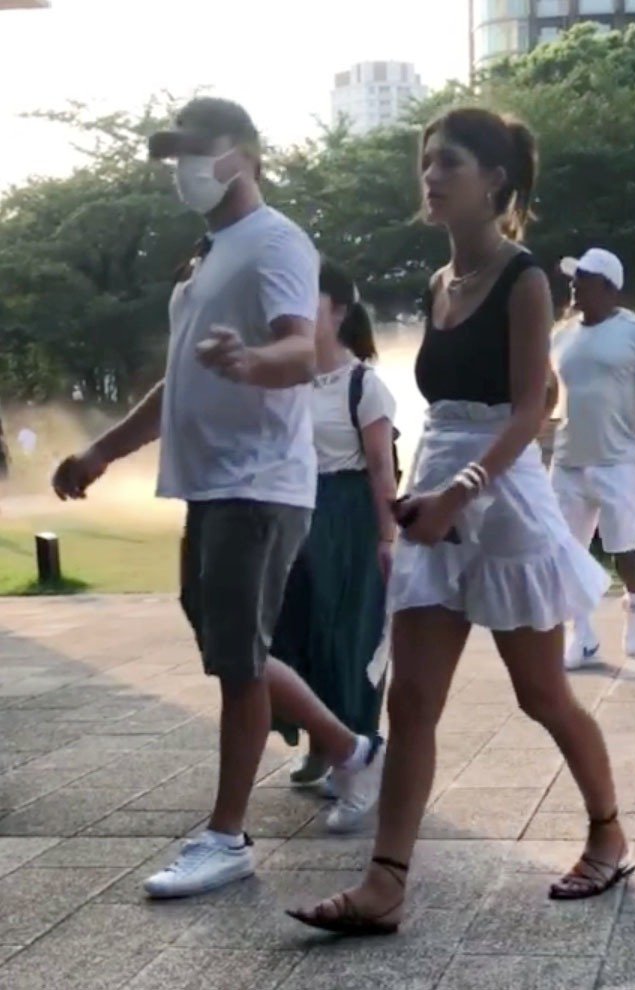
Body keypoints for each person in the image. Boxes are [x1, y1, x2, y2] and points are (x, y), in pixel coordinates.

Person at [288, 107, 631, 937]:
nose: (431, 177)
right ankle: (385, 883)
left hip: (502, 497)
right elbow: (442, 412)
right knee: (411, 702)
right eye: (426, 163)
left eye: (449, 163)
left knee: (541, 693)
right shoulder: (438, 283)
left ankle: (608, 833)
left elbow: (528, 411)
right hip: (436, 489)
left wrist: (458, 493)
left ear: (496, 180)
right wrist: (418, 496)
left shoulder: (525, 280)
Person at [51, 97, 384, 900]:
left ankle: (226, 838)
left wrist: (252, 361)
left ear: (246, 154)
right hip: (212, 485)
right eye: (176, 156)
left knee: (237, 662)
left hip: (257, 483)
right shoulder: (207, 258)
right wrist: (101, 450)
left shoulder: (276, 241)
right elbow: (179, 384)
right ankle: (351, 749)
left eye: (199, 152)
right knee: (230, 643)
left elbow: (301, 349)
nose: (185, 170)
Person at [271, 260, 397, 831]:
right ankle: (324, 743)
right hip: (294, 514)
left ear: (340, 311)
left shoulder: (363, 385)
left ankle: (359, 765)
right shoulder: (288, 378)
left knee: (348, 637)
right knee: (295, 634)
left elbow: (381, 469)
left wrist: (387, 537)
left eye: (310, 299)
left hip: (347, 522)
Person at [551, 249, 635, 669]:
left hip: (618, 458)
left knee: (623, 548)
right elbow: (549, 393)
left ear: (608, 287)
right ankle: (583, 634)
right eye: (574, 277)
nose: (574, 284)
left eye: (583, 277)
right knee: (564, 551)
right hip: (568, 459)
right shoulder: (561, 335)